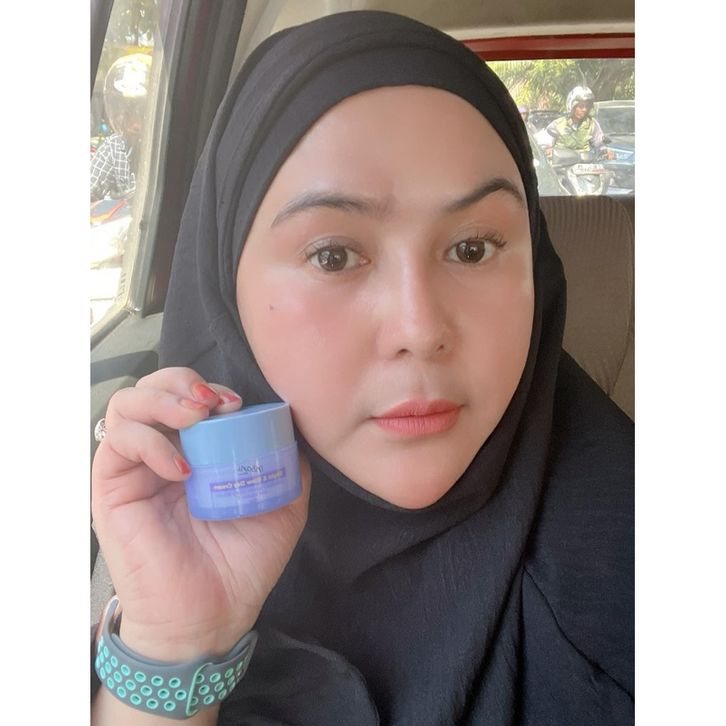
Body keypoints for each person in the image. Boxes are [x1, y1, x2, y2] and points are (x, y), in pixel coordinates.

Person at [91, 11, 633, 725]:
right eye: (333, 255)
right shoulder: (167, 537)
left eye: (473, 249)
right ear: (227, 288)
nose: (420, 330)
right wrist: (173, 642)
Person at [90, 53, 150, 202]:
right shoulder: (114, 148)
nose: (134, 124)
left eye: (142, 113)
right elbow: (90, 190)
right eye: (126, 114)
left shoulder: (163, 147)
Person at [545, 85, 605, 153]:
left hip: (585, 159)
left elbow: (599, 144)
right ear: (572, 106)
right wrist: (548, 150)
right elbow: (545, 144)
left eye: (587, 106)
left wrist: (605, 151)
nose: (584, 109)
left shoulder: (592, 124)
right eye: (581, 106)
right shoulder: (557, 124)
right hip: (563, 159)